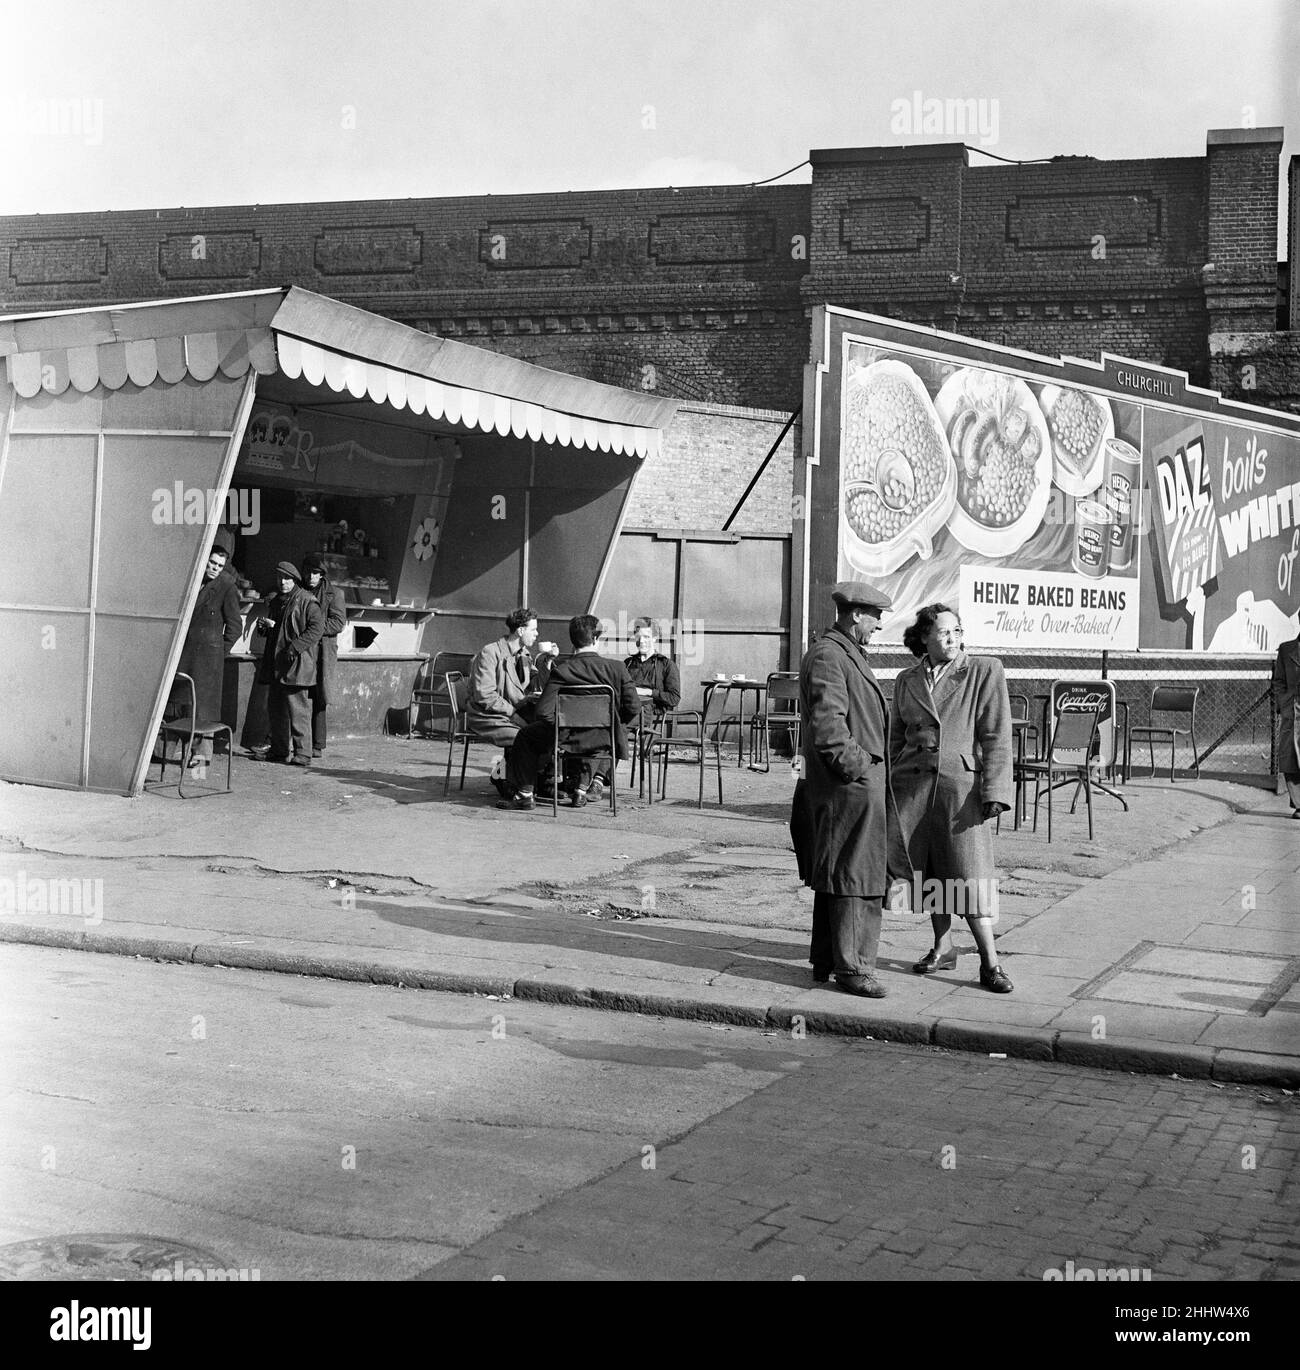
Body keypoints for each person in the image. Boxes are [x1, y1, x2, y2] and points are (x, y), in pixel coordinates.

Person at [789, 581, 911, 997]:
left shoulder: (841, 653)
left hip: (847, 788)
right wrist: (859, 768)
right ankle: (854, 968)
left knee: (838, 874)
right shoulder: (830, 655)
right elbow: (828, 726)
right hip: (848, 789)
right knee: (858, 878)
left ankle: (827, 960)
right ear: (856, 614)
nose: (879, 626)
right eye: (876, 617)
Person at [891, 604, 1015, 993]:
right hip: (913, 788)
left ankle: (990, 963)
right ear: (924, 636)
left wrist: (995, 791)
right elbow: (895, 736)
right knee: (928, 871)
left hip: (959, 791)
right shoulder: (906, 679)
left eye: (957, 631)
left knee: (969, 875)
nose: (953, 638)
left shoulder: (983, 671)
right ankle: (942, 947)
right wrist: (889, 782)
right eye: (944, 632)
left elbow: (996, 735)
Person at [500, 614, 640, 810]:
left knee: (525, 735)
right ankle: (581, 789)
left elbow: (542, 711)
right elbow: (634, 707)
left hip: (567, 738)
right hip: (604, 737)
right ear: (595, 639)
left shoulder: (563, 670)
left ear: (573, 641)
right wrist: (611, 724)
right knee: (596, 738)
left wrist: (561, 727)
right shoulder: (617, 668)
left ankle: (525, 794)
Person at [173, 540, 242, 766]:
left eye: (219, 566)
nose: (214, 568)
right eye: (212, 563)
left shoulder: (227, 586)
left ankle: (202, 756)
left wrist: (219, 652)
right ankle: (177, 752)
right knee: (184, 702)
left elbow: (235, 626)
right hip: (186, 654)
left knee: (205, 706)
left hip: (209, 659)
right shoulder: (193, 581)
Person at [253, 561, 324, 766]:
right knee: (276, 709)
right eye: (280, 578)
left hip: (297, 663)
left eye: (287, 579)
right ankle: (279, 750)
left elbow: (316, 629)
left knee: (298, 709)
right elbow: (278, 629)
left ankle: (303, 753)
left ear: (294, 580)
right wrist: (265, 628)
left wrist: (295, 647)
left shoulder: (307, 600)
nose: (283, 582)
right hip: (277, 663)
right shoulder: (278, 602)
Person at [300, 553, 348, 758]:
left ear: (322, 575)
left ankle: (318, 744)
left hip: (323, 652)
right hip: (305, 650)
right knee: (299, 693)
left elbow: (338, 623)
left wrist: (314, 628)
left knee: (320, 697)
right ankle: (300, 741)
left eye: (316, 573)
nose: (311, 577)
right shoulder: (299, 591)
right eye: (309, 572)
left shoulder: (334, 593)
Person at [623, 617, 681, 723]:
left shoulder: (666, 664)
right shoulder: (628, 663)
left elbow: (674, 698)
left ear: (655, 638)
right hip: (624, 708)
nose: (642, 641)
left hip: (646, 713)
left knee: (616, 725)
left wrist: (647, 692)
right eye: (638, 637)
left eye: (646, 637)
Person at [1273, 629, 1300, 817]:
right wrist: (1285, 705)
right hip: (1293, 710)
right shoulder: (1286, 649)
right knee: (1290, 756)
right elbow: (1278, 681)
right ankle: (1299, 804)